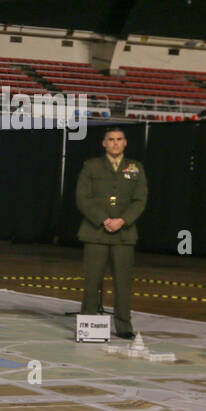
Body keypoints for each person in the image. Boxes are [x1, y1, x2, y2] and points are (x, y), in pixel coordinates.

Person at [76, 127, 146, 339]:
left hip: (124, 235)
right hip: (96, 232)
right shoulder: (91, 166)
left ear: (125, 143)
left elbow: (140, 200)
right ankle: (89, 327)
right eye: (111, 139)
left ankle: (124, 327)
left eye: (119, 139)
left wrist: (122, 220)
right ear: (104, 143)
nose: (115, 143)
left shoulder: (136, 168)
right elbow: (82, 198)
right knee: (92, 282)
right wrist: (104, 220)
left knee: (123, 284)